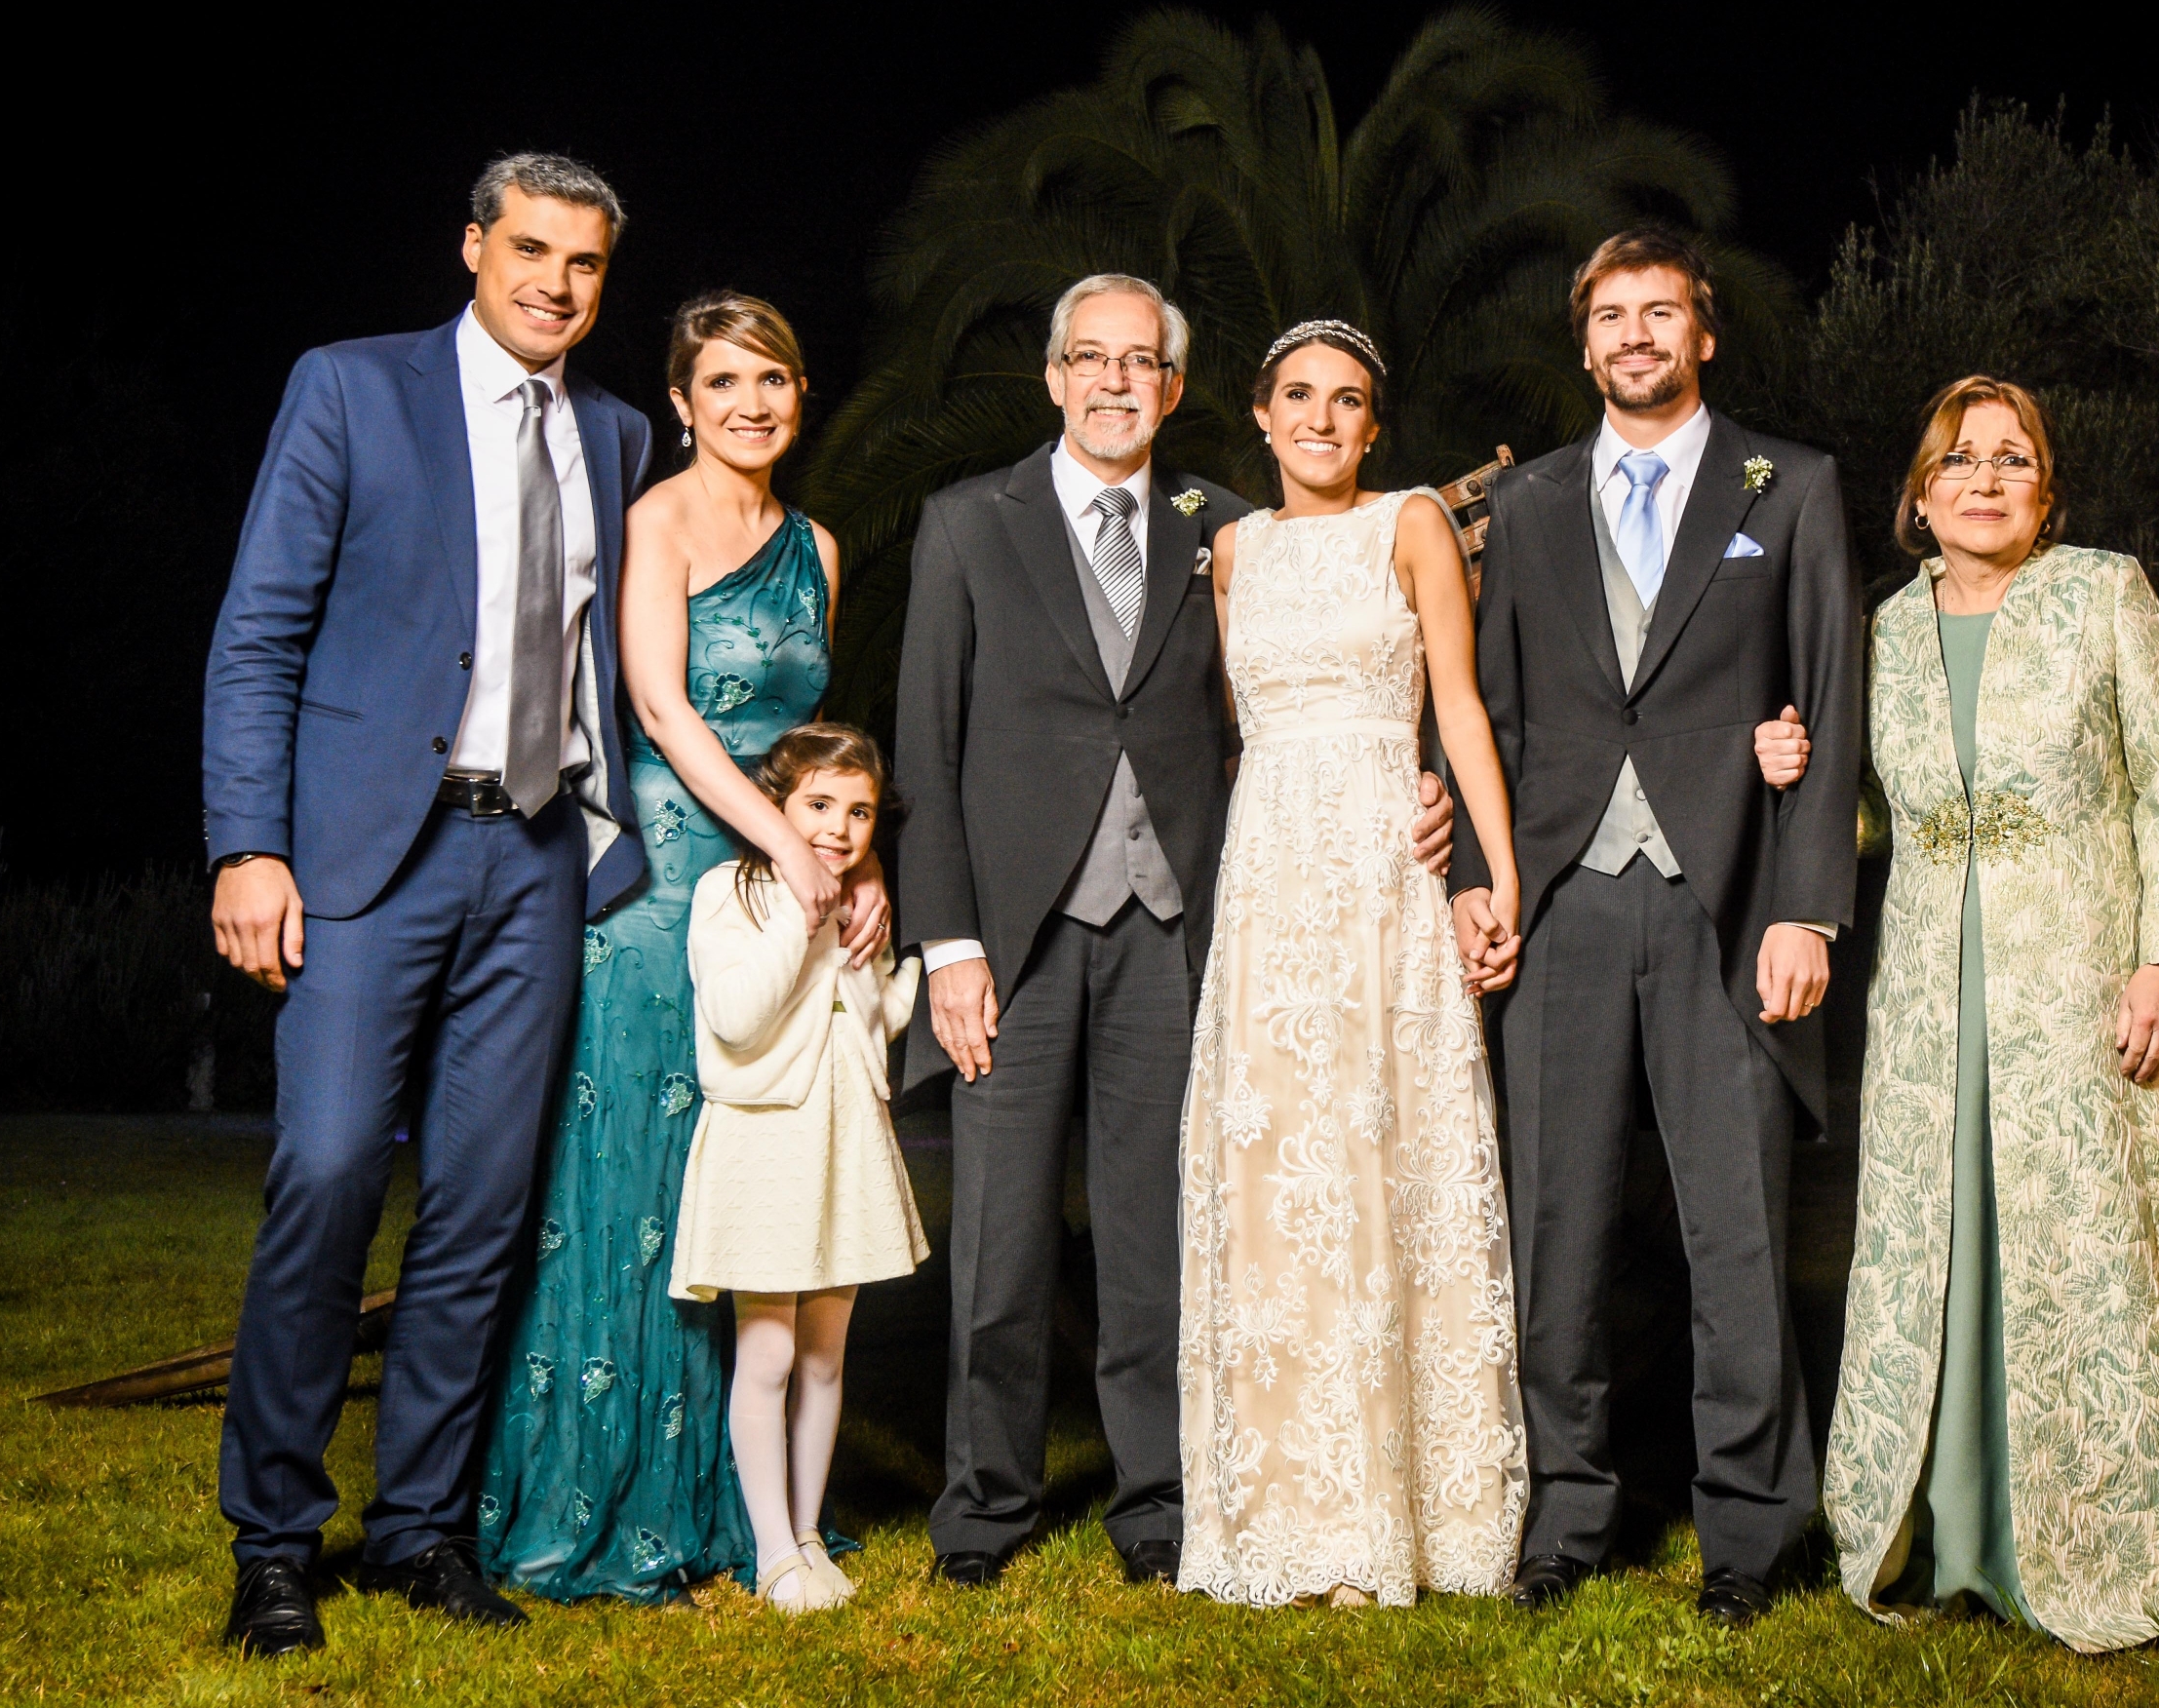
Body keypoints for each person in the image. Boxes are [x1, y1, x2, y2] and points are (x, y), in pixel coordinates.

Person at [895, 275, 1456, 1587]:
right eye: (1088, 359)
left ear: (1175, 387)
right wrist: (950, 946)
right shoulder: (967, 522)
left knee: (1160, 1234)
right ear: (1052, 377)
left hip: (1175, 928)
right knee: (1000, 1242)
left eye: (1138, 364)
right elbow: (926, 743)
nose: (1112, 382)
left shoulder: (1223, 530)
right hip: (1015, 942)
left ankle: (1159, 1504)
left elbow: (1311, 683)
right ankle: (984, 1507)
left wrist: (1416, 780)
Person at [204, 153, 652, 1655]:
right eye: (529, 250)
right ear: (471, 247)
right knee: (329, 1175)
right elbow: (259, 633)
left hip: (533, 859)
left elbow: (609, 662)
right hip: (363, 862)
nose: (555, 284)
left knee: (481, 1211)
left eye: (583, 264)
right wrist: (244, 849)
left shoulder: (617, 434)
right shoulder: (350, 391)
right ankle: (275, 1539)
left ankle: (418, 1530)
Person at [1454, 228, 1864, 1629]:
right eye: (1612, 316)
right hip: (1563, 895)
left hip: (1729, 896)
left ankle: (1750, 1529)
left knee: (1736, 1227)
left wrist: (1807, 904)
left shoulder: (1789, 486)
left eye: (1663, 313)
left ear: (1704, 336)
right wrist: (1480, 881)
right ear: (1585, 345)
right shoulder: (1531, 503)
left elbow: (1829, 692)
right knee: (1555, 1224)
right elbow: (1489, 713)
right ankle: (1567, 1515)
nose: (1637, 335)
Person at [479, 292, 886, 1602]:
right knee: (644, 1172)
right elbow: (661, 704)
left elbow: (817, 749)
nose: (750, 406)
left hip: (786, 875)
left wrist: (847, 854)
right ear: (681, 401)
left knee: (762, 1170)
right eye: (724, 383)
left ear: (799, 395)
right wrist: (790, 844)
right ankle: (618, 1488)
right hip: (665, 881)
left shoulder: (817, 545)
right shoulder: (653, 519)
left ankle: (747, 1505)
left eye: (773, 381)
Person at [1818, 376, 2159, 1653]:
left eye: (2013, 458)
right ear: (1919, 496)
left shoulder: (2103, 593)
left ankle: (2108, 1536)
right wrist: (1790, 766)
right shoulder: (1878, 632)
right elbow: (1876, 818)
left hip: (2083, 978)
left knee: (2082, 1235)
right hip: (1934, 991)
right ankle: (1949, 1529)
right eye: (1958, 460)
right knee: (1941, 1231)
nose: (1984, 480)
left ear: (2047, 490)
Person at [1174, 321, 1528, 1608]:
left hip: (1387, 865)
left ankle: (1410, 1509)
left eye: (1350, 401)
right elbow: (1220, 734)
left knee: (1391, 1154)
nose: (1323, 418)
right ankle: (1282, 1506)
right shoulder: (1227, 554)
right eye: (1299, 398)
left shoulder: (1416, 523)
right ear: (1260, 418)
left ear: (1374, 426)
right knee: (1278, 1171)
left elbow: (1464, 705)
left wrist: (1491, 863)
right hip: (1271, 876)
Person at [670, 722, 928, 1613]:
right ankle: (773, 1551)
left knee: (826, 1353)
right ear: (775, 805)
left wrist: (912, 972)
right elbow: (739, 1018)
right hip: (764, 1147)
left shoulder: (864, 907)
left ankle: (809, 1531)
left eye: (858, 811)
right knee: (770, 1351)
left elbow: (870, 1015)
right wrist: (799, 906)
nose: (840, 827)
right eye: (819, 804)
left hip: (845, 1140)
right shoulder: (729, 894)